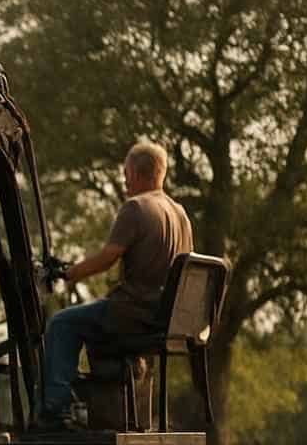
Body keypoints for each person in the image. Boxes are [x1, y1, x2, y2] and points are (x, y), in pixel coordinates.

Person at [38, 141, 193, 429]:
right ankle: (100, 402)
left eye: (125, 175)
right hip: (163, 318)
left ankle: (56, 410)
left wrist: (67, 274)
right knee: (91, 321)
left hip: (132, 314)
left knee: (62, 324)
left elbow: (108, 258)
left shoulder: (135, 207)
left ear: (133, 173)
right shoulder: (180, 214)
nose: (124, 182)